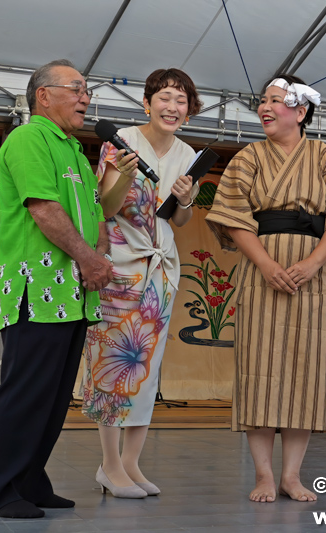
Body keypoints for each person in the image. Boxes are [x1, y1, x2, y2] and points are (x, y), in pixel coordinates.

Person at [206, 75, 326, 502]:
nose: (265, 107)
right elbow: (232, 216)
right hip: (261, 269)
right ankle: (263, 474)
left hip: (313, 273)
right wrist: (264, 263)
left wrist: (314, 262)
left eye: (275, 101)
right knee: (258, 368)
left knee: (307, 371)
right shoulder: (247, 157)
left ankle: (291, 475)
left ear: (300, 112)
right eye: (263, 101)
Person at [0, 59, 113, 519]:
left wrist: (98, 250)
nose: (85, 97)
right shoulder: (29, 138)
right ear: (43, 95)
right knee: (24, 391)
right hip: (35, 288)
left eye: (87, 90)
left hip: (73, 294)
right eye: (76, 88)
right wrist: (90, 258)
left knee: (54, 397)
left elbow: (93, 214)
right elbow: (43, 208)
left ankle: (31, 480)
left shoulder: (75, 150)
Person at [82, 68, 201, 498]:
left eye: (181, 100)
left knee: (147, 368)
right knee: (113, 363)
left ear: (190, 110)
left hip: (162, 270)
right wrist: (127, 176)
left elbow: (178, 220)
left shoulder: (189, 155)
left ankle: (132, 463)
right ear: (147, 102)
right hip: (119, 266)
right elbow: (106, 207)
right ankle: (109, 465)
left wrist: (186, 200)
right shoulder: (121, 142)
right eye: (165, 97)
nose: (173, 107)